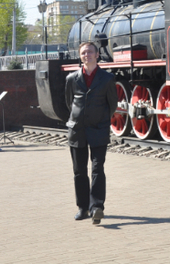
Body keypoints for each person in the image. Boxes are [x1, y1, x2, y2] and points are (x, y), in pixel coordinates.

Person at [65, 41, 117, 224]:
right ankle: (83, 207)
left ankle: (97, 207)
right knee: (79, 171)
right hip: (77, 130)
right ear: (80, 56)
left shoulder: (107, 78)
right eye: (83, 53)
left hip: (98, 130)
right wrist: (78, 118)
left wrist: (100, 119)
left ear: (97, 55)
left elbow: (112, 105)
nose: (86, 55)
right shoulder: (72, 78)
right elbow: (69, 102)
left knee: (97, 169)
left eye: (90, 52)